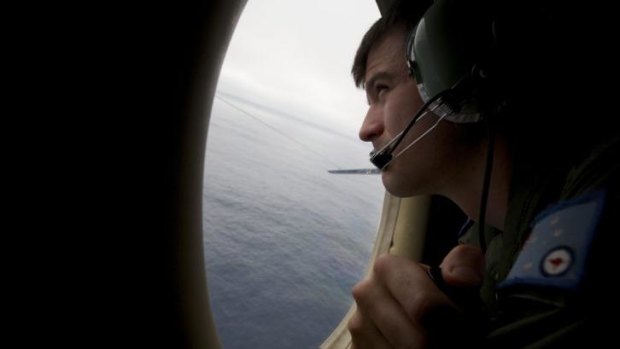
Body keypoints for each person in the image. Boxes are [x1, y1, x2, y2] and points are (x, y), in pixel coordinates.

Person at [347, 0, 619, 348]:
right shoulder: (481, 245)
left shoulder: (601, 178)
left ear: (457, 70)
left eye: (381, 90)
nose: (366, 129)